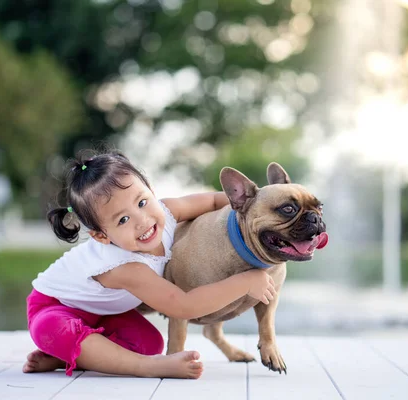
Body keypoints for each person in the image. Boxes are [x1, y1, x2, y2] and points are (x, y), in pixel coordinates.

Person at [23, 149, 276, 380]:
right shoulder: (124, 266)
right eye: (122, 220)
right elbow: (183, 305)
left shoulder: (168, 211)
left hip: (102, 315)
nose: (142, 221)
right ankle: (147, 367)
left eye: (142, 202)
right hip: (54, 309)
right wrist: (245, 281)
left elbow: (212, 201)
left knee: (148, 344)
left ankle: (69, 356)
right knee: (56, 329)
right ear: (102, 236)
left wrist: (255, 206)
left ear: (151, 190)